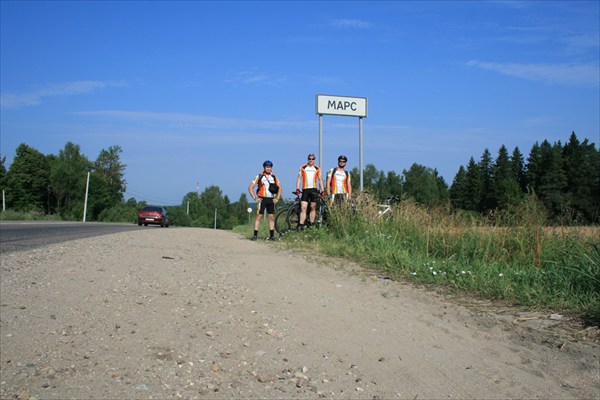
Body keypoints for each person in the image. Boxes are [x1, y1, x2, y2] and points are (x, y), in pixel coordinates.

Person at [248, 160, 282, 241]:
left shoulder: (274, 177)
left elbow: (280, 187)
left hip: (271, 199)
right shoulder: (259, 176)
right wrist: (255, 198)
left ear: (271, 168)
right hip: (262, 199)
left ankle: (272, 236)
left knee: (271, 217)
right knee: (259, 217)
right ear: (264, 168)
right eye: (267, 167)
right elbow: (250, 187)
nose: (268, 169)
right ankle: (255, 235)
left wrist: (277, 198)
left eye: (270, 167)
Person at [295, 153, 325, 230]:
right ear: (308, 159)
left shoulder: (317, 168)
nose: (311, 160)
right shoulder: (303, 167)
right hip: (305, 189)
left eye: (312, 159)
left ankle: (311, 225)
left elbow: (320, 180)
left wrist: (322, 190)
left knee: (313, 207)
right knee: (303, 207)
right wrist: (297, 188)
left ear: (314, 160)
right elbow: (299, 178)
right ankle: (300, 225)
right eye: (310, 159)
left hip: (314, 189)